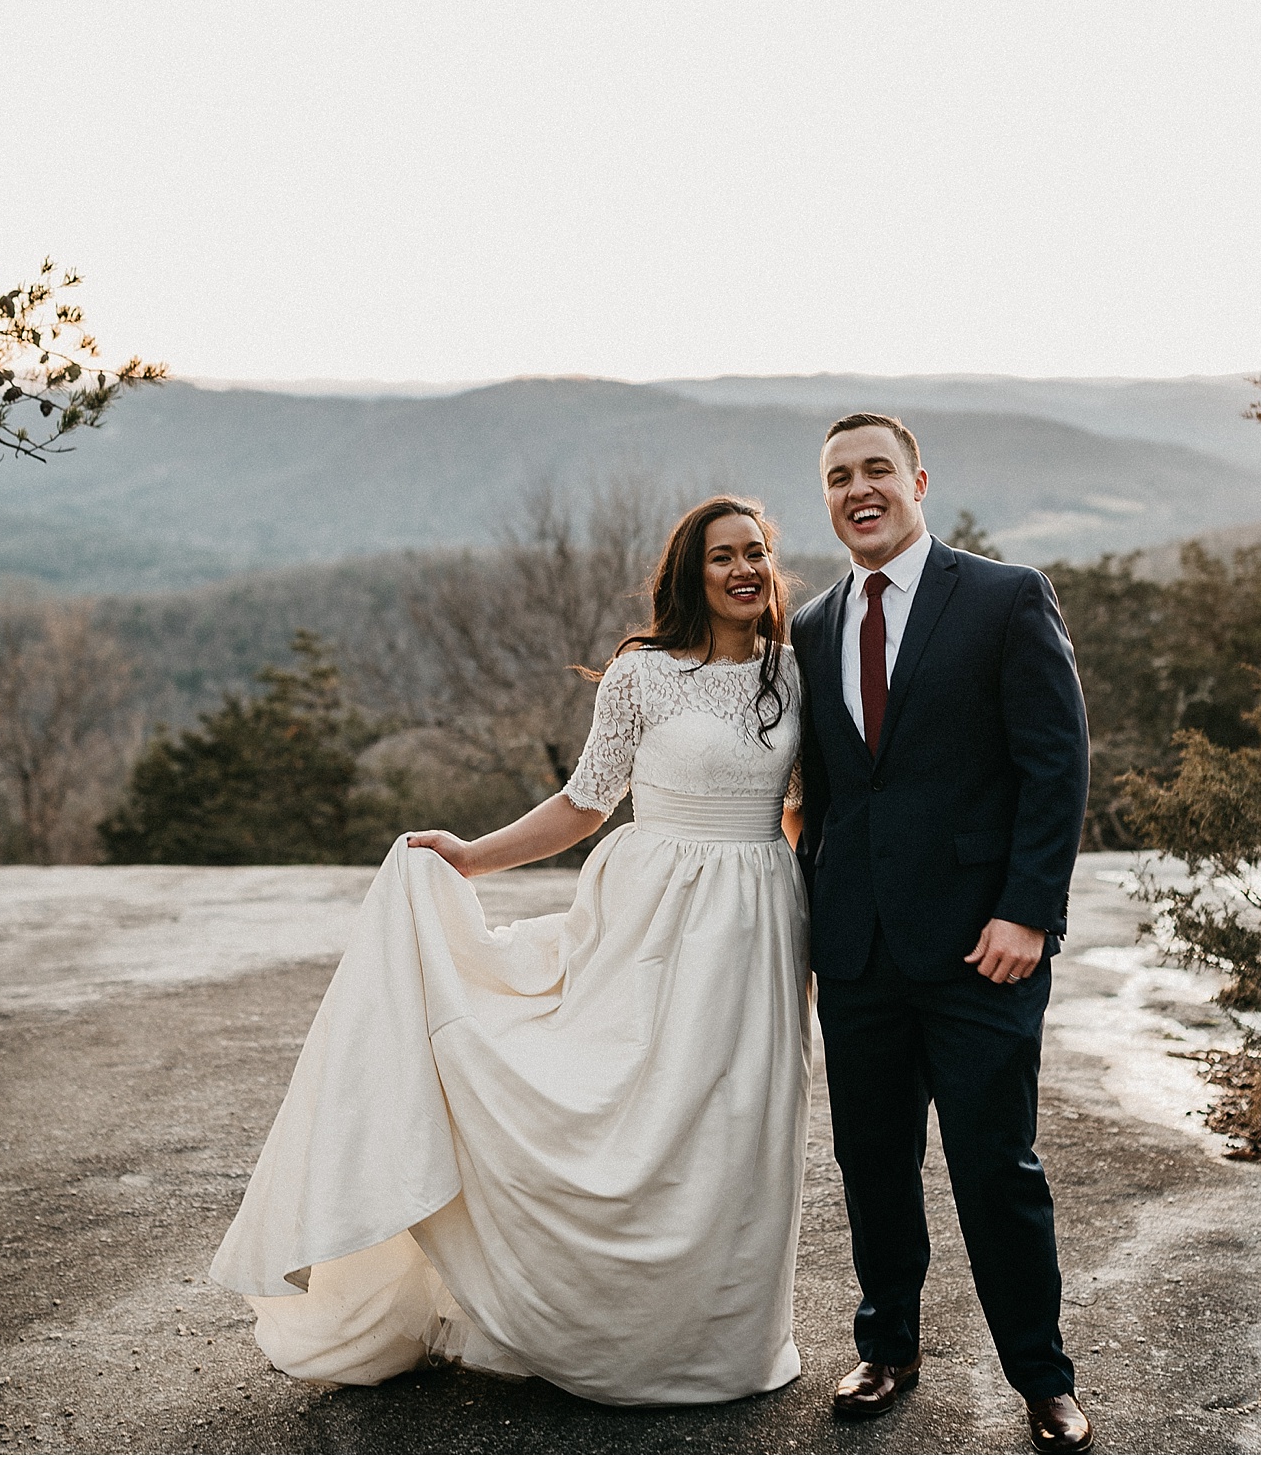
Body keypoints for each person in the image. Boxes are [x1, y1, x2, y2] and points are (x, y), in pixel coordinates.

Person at [207, 495, 813, 1407]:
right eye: (721, 555)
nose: (742, 569)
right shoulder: (642, 675)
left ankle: (722, 1343)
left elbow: (811, 807)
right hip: (650, 922)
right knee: (637, 1116)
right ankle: (611, 1334)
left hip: (762, 917)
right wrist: (471, 855)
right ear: (689, 573)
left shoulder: (793, 674)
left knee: (742, 1129)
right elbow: (583, 802)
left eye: (755, 553)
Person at [789, 412, 1096, 1453]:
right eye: (838, 477)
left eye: (877, 469)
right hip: (862, 952)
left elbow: (1056, 765)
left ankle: (1043, 1379)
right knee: (871, 1162)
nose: (858, 489)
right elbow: (829, 797)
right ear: (825, 498)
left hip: (982, 949)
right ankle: (887, 1349)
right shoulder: (815, 625)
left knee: (993, 1167)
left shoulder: (1005, 598)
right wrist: (815, 920)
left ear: (918, 480)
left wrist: (1028, 912)